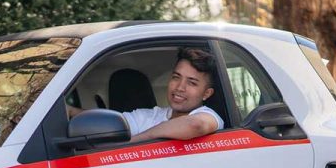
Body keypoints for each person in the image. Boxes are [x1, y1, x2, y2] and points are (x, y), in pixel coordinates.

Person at [66, 47, 224, 141]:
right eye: (176, 77)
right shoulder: (151, 115)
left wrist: (135, 142)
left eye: (192, 82)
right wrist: (71, 111)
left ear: (206, 94)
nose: (180, 87)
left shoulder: (208, 116)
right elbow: (113, 122)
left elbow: (195, 125)